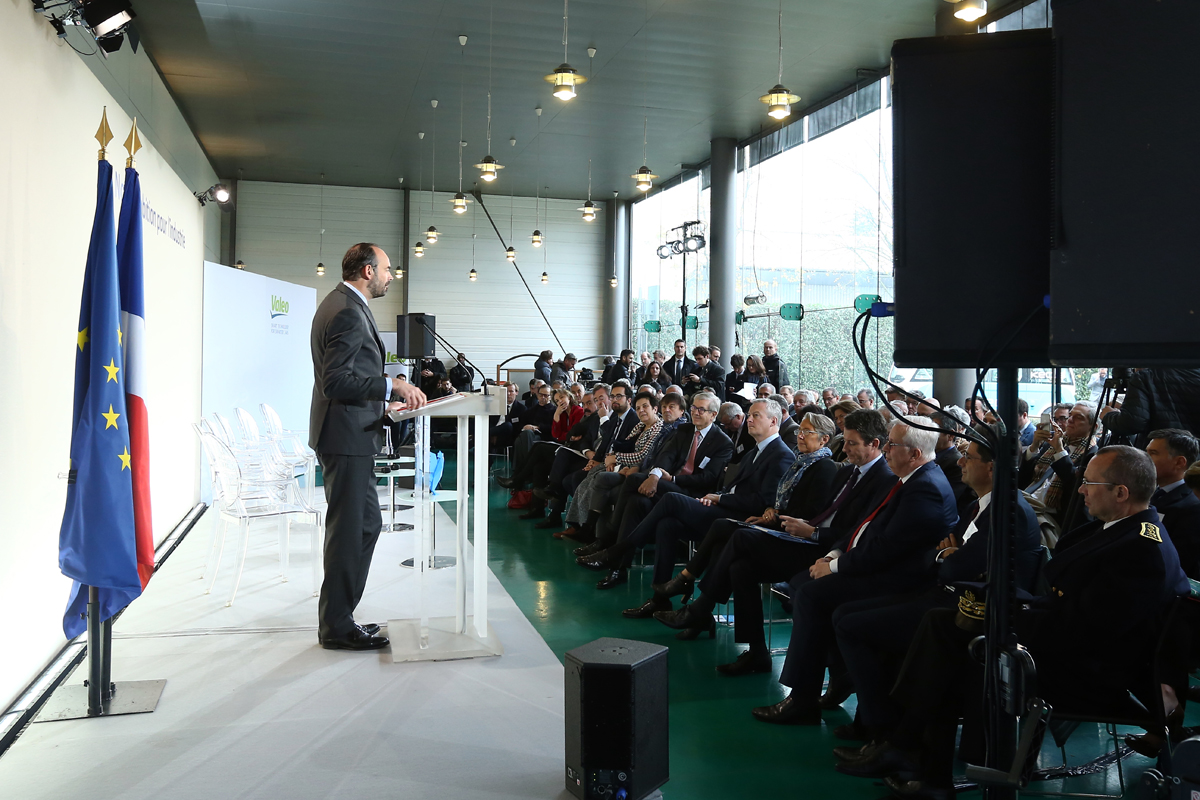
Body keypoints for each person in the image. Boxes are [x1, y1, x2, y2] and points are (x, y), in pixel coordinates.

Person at [853, 446, 1189, 797]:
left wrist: (1009, 620)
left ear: (1121, 493)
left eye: (1089, 482)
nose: (1080, 490)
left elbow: (1088, 633)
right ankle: (912, 753)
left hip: (1088, 673)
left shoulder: (1140, 548)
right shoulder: (1121, 531)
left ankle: (912, 753)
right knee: (944, 626)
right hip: (1070, 648)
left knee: (951, 644)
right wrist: (1009, 609)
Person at [831, 430, 1042, 746]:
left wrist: (947, 556)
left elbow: (956, 566)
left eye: (969, 457)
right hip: (948, 597)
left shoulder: (1007, 511)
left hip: (972, 613)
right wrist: (946, 555)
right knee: (847, 613)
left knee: (852, 624)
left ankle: (882, 729)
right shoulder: (979, 505)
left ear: (992, 468)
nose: (960, 461)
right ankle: (878, 721)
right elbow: (942, 554)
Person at [750, 415, 958, 724]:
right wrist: (833, 555)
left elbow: (886, 549)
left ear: (915, 453)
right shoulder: (910, 478)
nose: (886, 449)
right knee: (806, 587)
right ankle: (831, 682)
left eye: (893, 444)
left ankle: (804, 698)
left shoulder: (924, 487)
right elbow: (864, 527)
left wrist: (835, 567)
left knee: (811, 595)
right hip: (877, 566)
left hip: (899, 580)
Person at [654, 409, 897, 649]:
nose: (844, 449)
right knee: (740, 566)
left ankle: (695, 602)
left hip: (820, 547)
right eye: (844, 442)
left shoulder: (878, 479)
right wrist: (777, 515)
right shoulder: (845, 471)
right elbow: (815, 510)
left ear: (874, 444)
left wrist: (808, 531)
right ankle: (755, 651)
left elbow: (854, 532)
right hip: (803, 535)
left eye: (851, 444)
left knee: (736, 535)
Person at [309, 243, 426, 651]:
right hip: (345, 437)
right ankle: (337, 626)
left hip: (351, 431)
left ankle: (341, 617)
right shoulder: (346, 310)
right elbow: (335, 381)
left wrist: (381, 401)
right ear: (368, 270)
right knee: (349, 531)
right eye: (388, 269)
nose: (392, 276)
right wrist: (391, 383)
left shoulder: (343, 304)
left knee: (364, 525)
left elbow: (348, 376)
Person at [580, 399, 795, 592]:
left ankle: (612, 549)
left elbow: (750, 496)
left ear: (713, 415)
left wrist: (705, 492)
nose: (749, 419)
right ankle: (656, 593)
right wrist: (656, 476)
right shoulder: (689, 433)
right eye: (694, 408)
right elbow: (666, 457)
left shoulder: (737, 445)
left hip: (702, 497)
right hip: (689, 494)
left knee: (647, 487)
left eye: (755, 415)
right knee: (653, 512)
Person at [644, 411, 838, 622]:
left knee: (726, 529)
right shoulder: (801, 462)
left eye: (806, 432)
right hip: (778, 524)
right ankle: (703, 616)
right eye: (799, 431)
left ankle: (689, 587)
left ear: (824, 439)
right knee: (722, 544)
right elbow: (780, 500)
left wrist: (775, 514)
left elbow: (810, 512)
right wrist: (772, 511)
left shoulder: (823, 466)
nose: (800, 435)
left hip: (795, 536)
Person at [1020, 401, 1098, 529]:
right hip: (1028, 503)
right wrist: (1034, 446)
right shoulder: (1051, 443)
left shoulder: (1093, 455)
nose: (1070, 420)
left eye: (1078, 418)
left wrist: (1060, 452)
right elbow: (1022, 478)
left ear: (1093, 427)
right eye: (1070, 416)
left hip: (1053, 517)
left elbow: (1075, 488)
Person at [1146, 428, 1200, 578]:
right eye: (1147, 451)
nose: (1144, 458)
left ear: (1179, 462)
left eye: (1153, 453)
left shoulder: (1192, 507)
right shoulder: (1145, 490)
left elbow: (1179, 561)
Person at [1099, 368, 1200, 445]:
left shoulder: (1146, 376)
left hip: (1159, 454)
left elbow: (1131, 423)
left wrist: (1108, 415)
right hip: (1195, 458)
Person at [490, 382, 526, 451]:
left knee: (508, 425)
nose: (508, 394)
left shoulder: (521, 409)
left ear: (516, 392)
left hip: (508, 436)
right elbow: (490, 421)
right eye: (506, 391)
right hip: (493, 434)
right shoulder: (496, 406)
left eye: (511, 391)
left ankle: (486, 434)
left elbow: (518, 428)